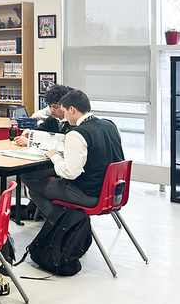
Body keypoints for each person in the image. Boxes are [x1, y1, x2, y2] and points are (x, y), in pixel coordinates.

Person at [23, 89, 124, 219]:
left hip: (92, 195)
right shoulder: (110, 125)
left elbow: (70, 173)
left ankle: (62, 227)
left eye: (64, 112)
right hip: (115, 194)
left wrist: (55, 156)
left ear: (72, 109)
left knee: (35, 189)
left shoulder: (77, 133)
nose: (64, 117)